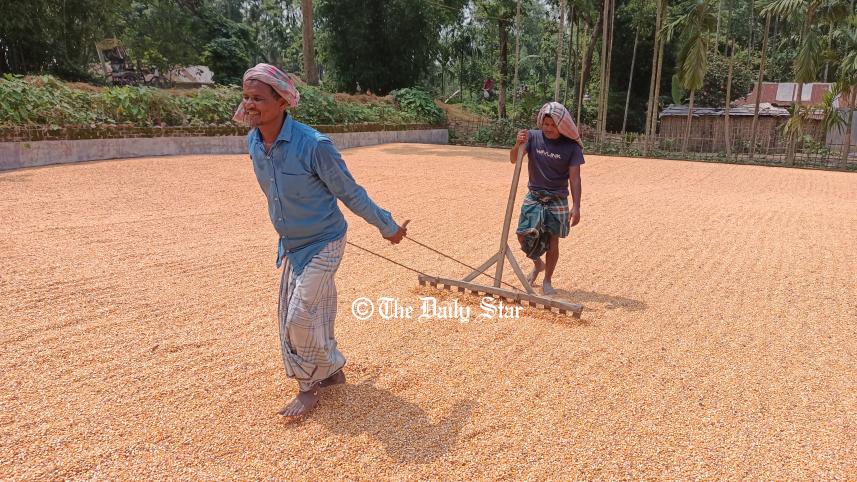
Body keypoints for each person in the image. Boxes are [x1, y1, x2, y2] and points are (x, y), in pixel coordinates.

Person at [234, 64, 408, 417]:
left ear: (282, 101)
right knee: (313, 313)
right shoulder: (253, 142)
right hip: (292, 245)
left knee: (297, 319)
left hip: (326, 241)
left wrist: (387, 226)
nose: (249, 105)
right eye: (246, 97)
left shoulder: (314, 146)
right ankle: (332, 371)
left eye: (258, 98)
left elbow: (350, 192)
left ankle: (308, 386)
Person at [509, 101, 583, 295]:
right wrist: (518, 143)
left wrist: (576, 207)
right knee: (522, 234)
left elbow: (575, 179)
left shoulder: (571, 147)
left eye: (553, 125)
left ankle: (547, 280)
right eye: (545, 124)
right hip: (534, 195)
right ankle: (537, 264)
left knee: (553, 242)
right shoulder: (532, 137)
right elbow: (514, 159)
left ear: (562, 126)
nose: (548, 128)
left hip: (557, 198)